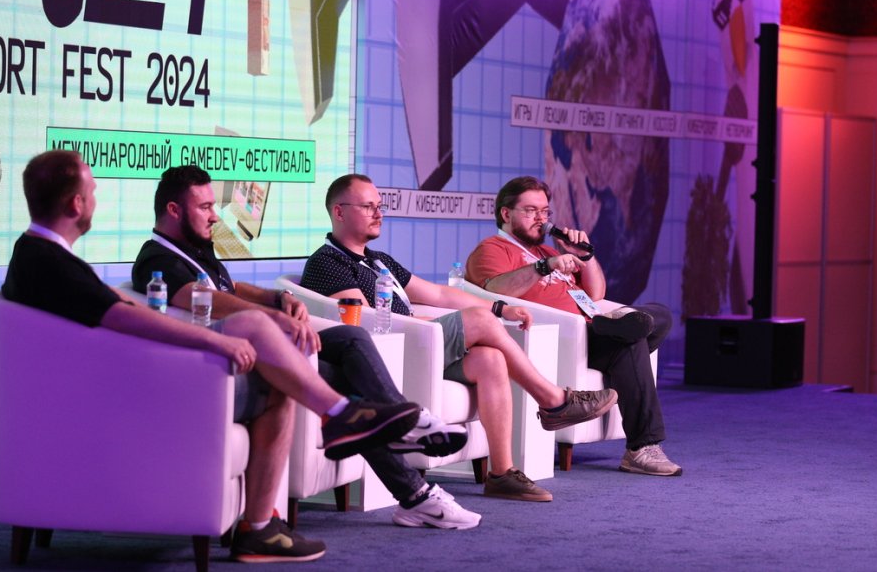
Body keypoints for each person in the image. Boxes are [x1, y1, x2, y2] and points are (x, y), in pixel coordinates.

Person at [2, 151, 423, 563]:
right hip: (126, 393)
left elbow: (119, 304)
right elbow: (125, 319)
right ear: (76, 204)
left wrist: (274, 301)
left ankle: (266, 519)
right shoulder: (48, 261)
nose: (96, 201)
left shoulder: (44, 255)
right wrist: (214, 342)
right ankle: (340, 417)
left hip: (119, 384)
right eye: (92, 192)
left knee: (298, 359)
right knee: (259, 335)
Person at [131, 165, 480, 530]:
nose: (215, 216)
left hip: (261, 347)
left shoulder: (195, 250)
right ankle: (414, 483)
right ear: (174, 210)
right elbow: (200, 297)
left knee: (352, 338)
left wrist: (277, 297)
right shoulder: (158, 258)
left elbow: (229, 288)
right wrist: (270, 318)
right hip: (235, 359)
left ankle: (405, 431)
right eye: (205, 207)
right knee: (353, 386)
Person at [301, 173, 619, 503]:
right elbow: (367, 320)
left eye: (380, 206)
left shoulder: (379, 260)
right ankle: (553, 400)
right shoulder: (328, 262)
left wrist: (500, 307)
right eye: (369, 207)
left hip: (422, 345)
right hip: (390, 352)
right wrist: (430, 324)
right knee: (480, 321)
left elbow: (438, 293)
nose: (379, 213)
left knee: (490, 359)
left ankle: (502, 473)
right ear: (339, 212)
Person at [465, 176, 682, 477]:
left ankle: (621, 329)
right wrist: (543, 268)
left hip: (594, 333)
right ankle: (642, 448)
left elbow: (596, 294)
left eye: (545, 212)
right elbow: (496, 289)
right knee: (631, 338)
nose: (541, 219)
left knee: (659, 316)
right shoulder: (493, 249)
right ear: (506, 213)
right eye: (531, 211)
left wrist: (585, 256)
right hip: (562, 340)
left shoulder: (549, 251)